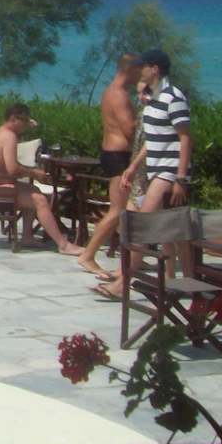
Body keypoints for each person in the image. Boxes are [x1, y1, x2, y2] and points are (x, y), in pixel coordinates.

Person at [97, 49, 193, 298]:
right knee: (172, 229)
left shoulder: (174, 98)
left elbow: (185, 138)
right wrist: (133, 166)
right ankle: (186, 281)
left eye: (143, 67)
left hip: (169, 171)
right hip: (154, 169)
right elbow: (153, 140)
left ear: (155, 69)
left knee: (143, 225)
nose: (139, 71)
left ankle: (122, 285)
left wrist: (181, 178)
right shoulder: (153, 101)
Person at [0, 103, 81, 255]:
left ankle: (27, 237)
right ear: (13, 119)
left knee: (34, 190)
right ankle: (63, 245)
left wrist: (31, 172)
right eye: (24, 120)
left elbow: (11, 166)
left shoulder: (1, 132)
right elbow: (13, 169)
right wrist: (34, 173)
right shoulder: (9, 136)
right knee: (39, 200)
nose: (26, 125)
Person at [75, 53, 142, 280]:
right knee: (118, 210)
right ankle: (88, 255)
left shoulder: (111, 91)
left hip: (113, 154)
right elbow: (129, 129)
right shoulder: (119, 94)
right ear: (130, 70)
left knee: (128, 210)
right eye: (138, 70)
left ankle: (131, 257)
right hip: (118, 156)